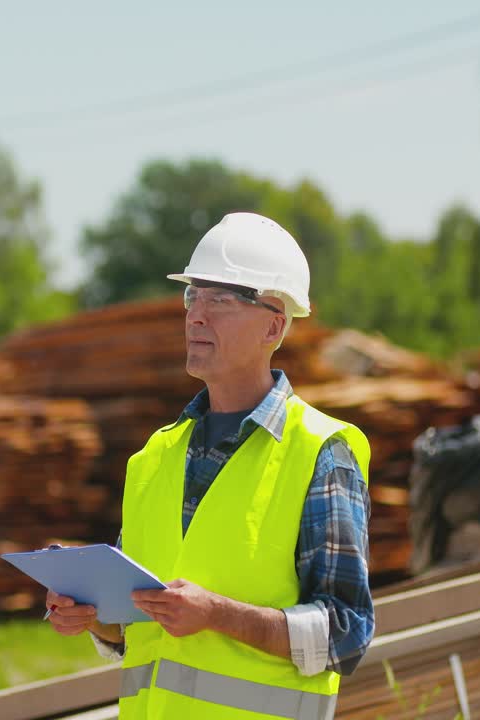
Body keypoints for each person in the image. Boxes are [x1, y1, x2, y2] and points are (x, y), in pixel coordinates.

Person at [47, 212, 374, 720]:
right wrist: (91, 617)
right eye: (192, 296)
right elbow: (138, 629)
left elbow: (346, 634)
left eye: (221, 299)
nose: (196, 316)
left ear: (274, 325)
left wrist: (219, 615)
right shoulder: (154, 457)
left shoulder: (320, 454)